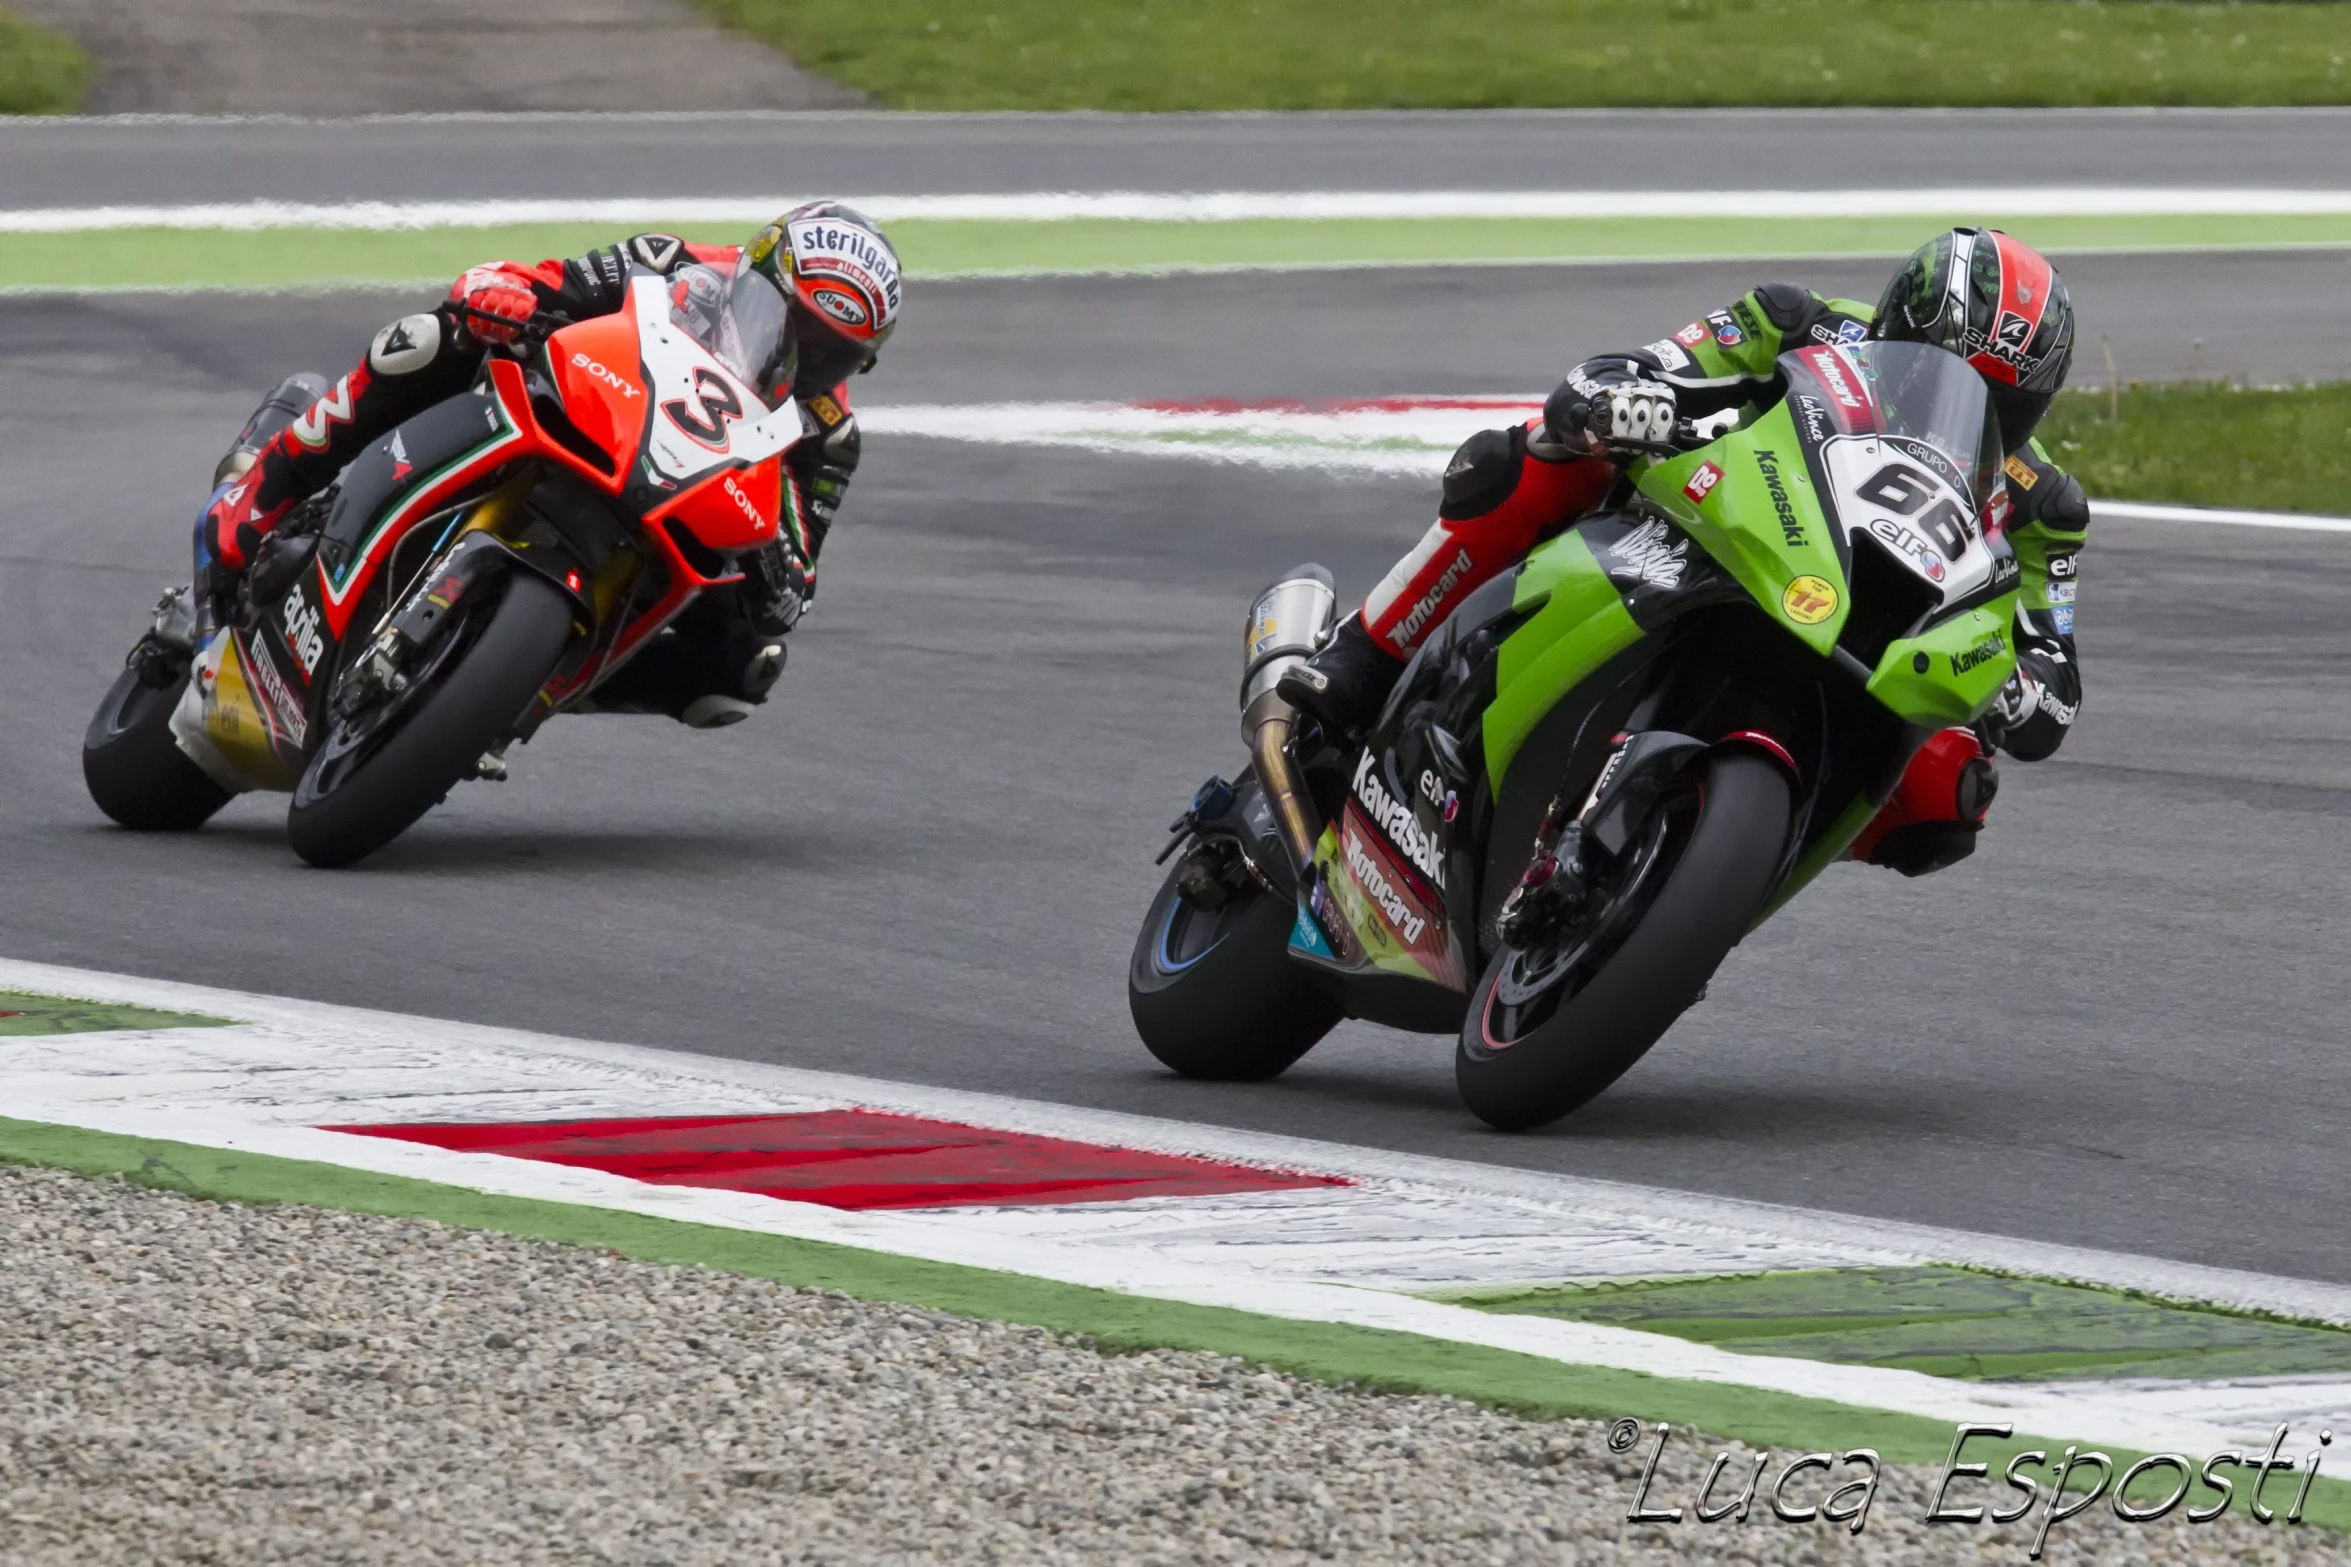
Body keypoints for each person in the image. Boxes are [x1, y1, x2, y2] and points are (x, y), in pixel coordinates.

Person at [1279, 227, 2086, 871]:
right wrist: (1621, 398)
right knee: (1535, 456)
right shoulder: (1797, 323)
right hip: (1711, 531)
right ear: (1895, 324)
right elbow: (1636, 368)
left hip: (1867, 647)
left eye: (1999, 399)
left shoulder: (2041, 503)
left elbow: (2054, 679)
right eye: (1944, 370)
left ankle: (1716, 869)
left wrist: (2018, 690)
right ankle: (1361, 658)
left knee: (1954, 789)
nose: (1963, 400)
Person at [186, 201, 901, 729]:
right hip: (584, 411)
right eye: (790, 322)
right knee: (429, 337)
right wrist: (501, 297)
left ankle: (508, 687)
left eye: (829, 351)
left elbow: (792, 592)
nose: (800, 355)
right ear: (754, 278)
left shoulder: (828, 436)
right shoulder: (671, 264)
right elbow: (545, 282)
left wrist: (776, 539)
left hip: (671, 509)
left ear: (858, 365)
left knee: (742, 665)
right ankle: (261, 492)